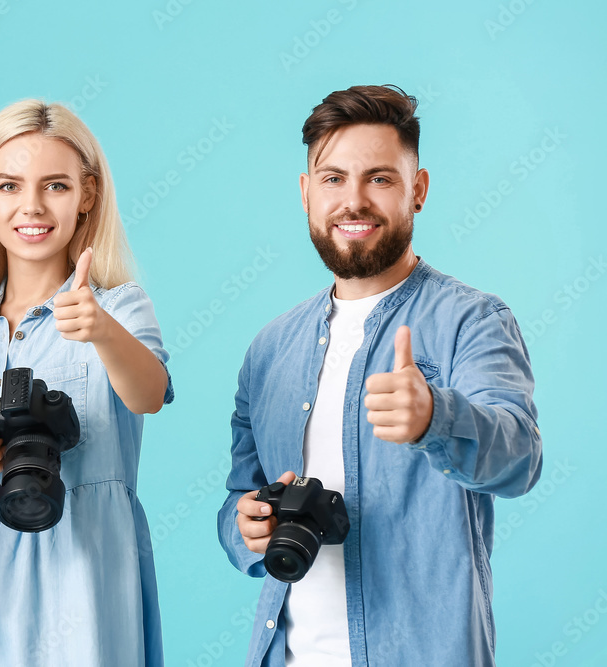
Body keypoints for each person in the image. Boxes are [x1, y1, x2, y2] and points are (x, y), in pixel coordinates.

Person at [217, 85, 542, 666]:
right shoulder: (268, 350)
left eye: (380, 178)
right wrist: (246, 527)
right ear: (306, 193)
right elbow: (238, 500)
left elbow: (520, 459)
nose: (353, 201)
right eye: (333, 178)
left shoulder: (472, 320)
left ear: (417, 191)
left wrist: (435, 417)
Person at [0, 99, 173, 666]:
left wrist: (100, 330)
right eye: (9, 186)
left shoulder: (119, 308)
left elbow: (148, 395)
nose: (31, 206)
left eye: (55, 186)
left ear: (87, 195)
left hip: (83, 609)